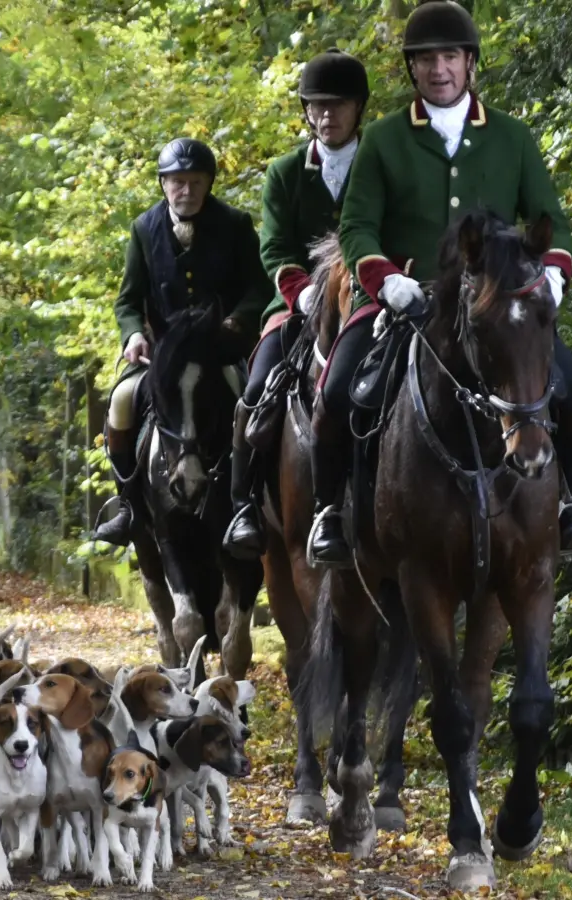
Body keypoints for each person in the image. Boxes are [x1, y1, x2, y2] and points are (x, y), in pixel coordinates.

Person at [318, 0, 572, 566]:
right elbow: (356, 225)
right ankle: (331, 511)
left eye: (450, 56)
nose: (438, 69)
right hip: (407, 301)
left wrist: (554, 275)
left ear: (470, 64)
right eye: (425, 59)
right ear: (412, 70)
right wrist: (384, 280)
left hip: (494, 304)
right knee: (339, 388)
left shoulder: (513, 137)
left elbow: (553, 217)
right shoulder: (384, 139)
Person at [222, 49, 371, 559]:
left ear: (358, 109)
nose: (327, 115)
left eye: (338, 105)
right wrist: (301, 290)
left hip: (368, 298)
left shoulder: (383, 164)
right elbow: (274, 246)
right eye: (317, 106)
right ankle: (243, 505)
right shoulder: (285, 172)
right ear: (306, 111)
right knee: (258, 387)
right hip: (298, 304)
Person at [93, 138, 268, 546]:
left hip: (219, 349)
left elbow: (258, 289)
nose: (185, 190)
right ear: (163, 184)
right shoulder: (142, 228)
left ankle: (248, 504)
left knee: (250, 401)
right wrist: (133, 333)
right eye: (177, 182)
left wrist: (236, 321)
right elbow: (128, 298)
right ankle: (128, 507)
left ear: (208, 183)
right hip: (163, 355)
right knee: (120, 400)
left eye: (195, 181)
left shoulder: (236, 224)